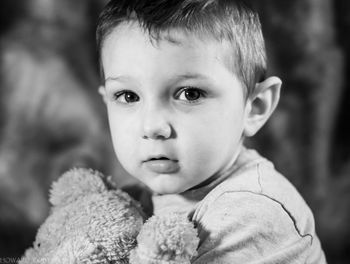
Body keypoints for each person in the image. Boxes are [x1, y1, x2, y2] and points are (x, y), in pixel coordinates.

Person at [96, 0, 327, 262]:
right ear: (106, 101)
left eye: (190, 94)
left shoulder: (252, 213)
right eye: (127, 96)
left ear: (254, 107)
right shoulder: (136, 200)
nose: (153, 127)